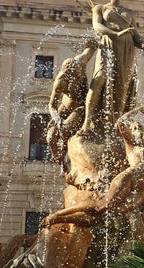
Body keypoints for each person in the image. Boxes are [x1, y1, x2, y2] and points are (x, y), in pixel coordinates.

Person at [42, 104, 144, 228]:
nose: (140, 130)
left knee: (110, 214)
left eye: (142, 129)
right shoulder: (131, 145)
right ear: (133, 132)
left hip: (142, 188)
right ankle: (57, 216)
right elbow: (121, 121)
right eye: (136, 128)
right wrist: (139, 110)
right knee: (102, 206)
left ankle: (62, 219)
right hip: (129, 177)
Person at [78, 0, 144, 135]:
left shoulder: (130, 13)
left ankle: (116, 128)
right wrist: (115, 33)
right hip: (108, 45)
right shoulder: (100, 8)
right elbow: (96, 26)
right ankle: (87, 122)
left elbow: (136, 35)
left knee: (122, 89)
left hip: (127, 49)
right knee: (98, 80)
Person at [46, 39, 97, 173]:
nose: (79, 75)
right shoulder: (60, 82)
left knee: (64, 130)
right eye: (75, 75)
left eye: (80, 72)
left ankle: (73, 157)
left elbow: (91, 47)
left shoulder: (81, 61)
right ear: (68, 75)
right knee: (51, 136)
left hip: (82, 107)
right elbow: (51, 105)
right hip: (65, 107)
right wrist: (56, 118)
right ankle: (62, 163)